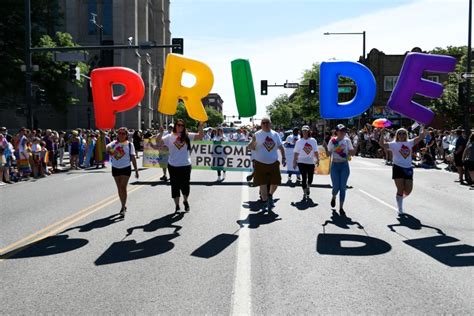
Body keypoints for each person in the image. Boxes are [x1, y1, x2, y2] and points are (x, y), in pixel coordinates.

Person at [155, 119, 204, 212]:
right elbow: (158, 141)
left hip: (185, 165)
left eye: (182, 125)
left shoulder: (187, 136)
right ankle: (177, 205)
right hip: (173, 165)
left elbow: (200, 136)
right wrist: (160, 132)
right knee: (175, 186)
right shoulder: (169, 137)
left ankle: (185, 201)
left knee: (185, 185)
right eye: (178, 125)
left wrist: (200, 126)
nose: (180, 127)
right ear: (175, 126)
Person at [379, 126, 427, 215]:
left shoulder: (410, 142)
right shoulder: (393, 144)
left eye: (404, 133)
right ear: (397, 135)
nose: (402, 135)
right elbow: (382, 144)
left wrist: (423, 128)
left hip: (408, 168)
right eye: (400, 133)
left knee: (408, 190)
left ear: (406, 134)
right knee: (400, 188)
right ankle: (400, 208)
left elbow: (421, 137)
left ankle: (399, 198)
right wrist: (382, 134)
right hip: (398, 167)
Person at [247, 117, 286, 211]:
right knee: (262, 184)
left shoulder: (275, 134)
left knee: (276, 182)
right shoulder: (257, 134)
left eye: (267, 122)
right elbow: (249, 147)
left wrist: (284, 157)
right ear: (261, 124)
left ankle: (270, 195)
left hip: (273, 163)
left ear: (270, 124)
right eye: (263, 123)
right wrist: (252, 141)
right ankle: (265, 202)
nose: (265, 124)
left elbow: (280, 146)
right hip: (260, 163)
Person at [106, 127, 139, 217]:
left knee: (123, 187)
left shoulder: (129, 145)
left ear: (126, 135)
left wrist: (136, 170)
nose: (121, 135)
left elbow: (133, 157)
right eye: (119, 133)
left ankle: (122, 207)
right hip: (115, 168)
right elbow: (107, 148)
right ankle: (123, 205)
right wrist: (111, 150)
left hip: (126, 168)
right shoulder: (114, 143)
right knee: (119, 188)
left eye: (123, 133)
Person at [327, 124, 354, 214]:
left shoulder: (347, 140)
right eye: (340, 130)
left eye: (344, 131)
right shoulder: (332, 141)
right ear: (337, 131)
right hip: (335, 165)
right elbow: (328, 154)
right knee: (336, 187)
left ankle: (341, 207)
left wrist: (353, 150)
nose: (342, 132)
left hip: (344, 166)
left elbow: (352, 152)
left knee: (342, 187)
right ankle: (334, 196)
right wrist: (325, 148)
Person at [293, 125, 319, 200]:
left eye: (306, 131)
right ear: (301, 132)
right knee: (304, 177)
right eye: (303, 131)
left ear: (309, 132)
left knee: (310, 178)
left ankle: (308, 186)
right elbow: (296, 152)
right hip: (301, 162)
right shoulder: (299, 141)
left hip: (311, 162)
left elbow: (316, 151)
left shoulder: (313, 140)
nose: (305, 132)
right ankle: (304, 192)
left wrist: (318, 159)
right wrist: (294, 162)